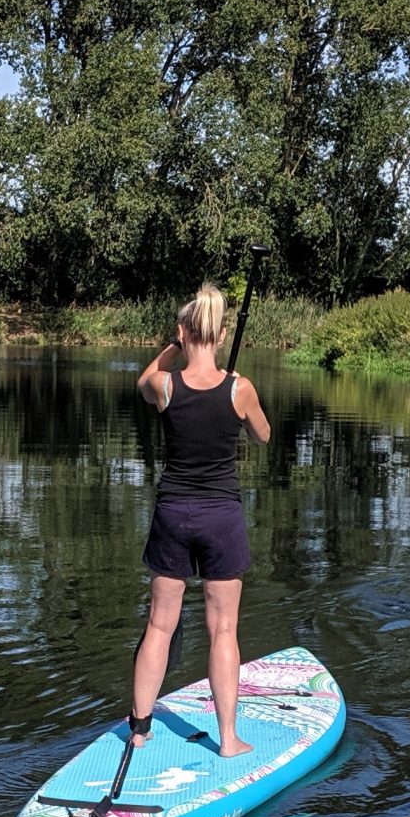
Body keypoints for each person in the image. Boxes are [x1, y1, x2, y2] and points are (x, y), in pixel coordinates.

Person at [130, 283, 272, 759]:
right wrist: (237, 400)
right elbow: (265, 435)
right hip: (221, 517)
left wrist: (173, 347)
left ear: (184, 331)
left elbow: (145, 378)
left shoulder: (166, 387)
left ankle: (140, 729)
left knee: (159, 626)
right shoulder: (241, 388)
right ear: (224, 333)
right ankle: (228, 739)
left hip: (173, 513)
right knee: (224, 630)